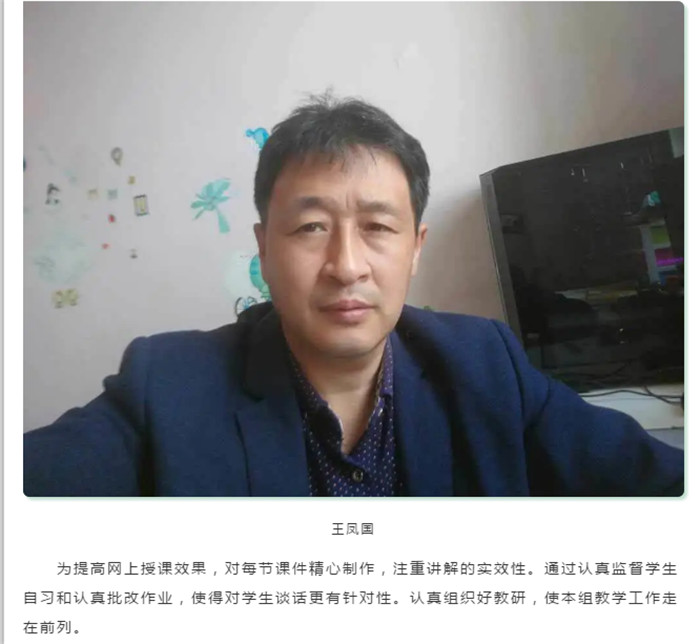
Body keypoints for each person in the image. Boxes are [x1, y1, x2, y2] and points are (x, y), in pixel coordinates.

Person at [24, 93, 683, 497]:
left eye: (377, 227)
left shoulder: (486, 365)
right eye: (311, 227)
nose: (346, 266)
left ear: (415, 247)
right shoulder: (166, 386)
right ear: (263, 247)